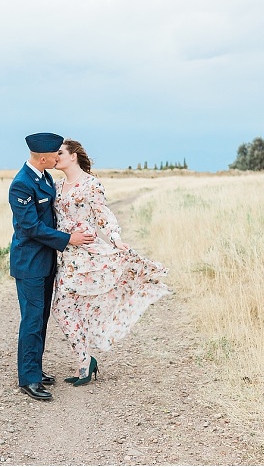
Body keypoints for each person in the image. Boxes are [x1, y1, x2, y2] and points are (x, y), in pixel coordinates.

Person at [51, 139, 170, 386]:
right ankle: (86, 359)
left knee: (63, 307)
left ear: (73, 156)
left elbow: (104, 216)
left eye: (60, 153)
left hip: (87, 253)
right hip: (65, 255)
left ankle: (85, 362)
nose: (56, 157)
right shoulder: (57, 185)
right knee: (64, 309)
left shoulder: (91, 184)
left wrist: (116, 240)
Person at [8, 132, 95, 401]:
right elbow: (31, 227)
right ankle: (29, 379)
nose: (58, 157)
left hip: (46, 261)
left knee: (41, 319)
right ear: (43, 157)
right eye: (55, 155)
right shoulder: (22, 184)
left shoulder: (43, 177)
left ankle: (35, 368)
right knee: (32, 320)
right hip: (30, 263)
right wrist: (70, 239)